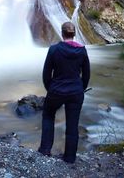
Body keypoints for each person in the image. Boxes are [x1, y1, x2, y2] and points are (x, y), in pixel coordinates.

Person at [38, 21, 90, 163]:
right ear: (74, 34)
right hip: (75, 92)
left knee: (48, 115)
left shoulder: (54, 49)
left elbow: (46, 73)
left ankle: (45, 150)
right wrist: (81, 89)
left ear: (62, 33)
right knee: (72, 125)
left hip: (56, 90)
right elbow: (86, 75)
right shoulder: (82, 51)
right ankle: (69, 158)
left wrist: (50, 88)